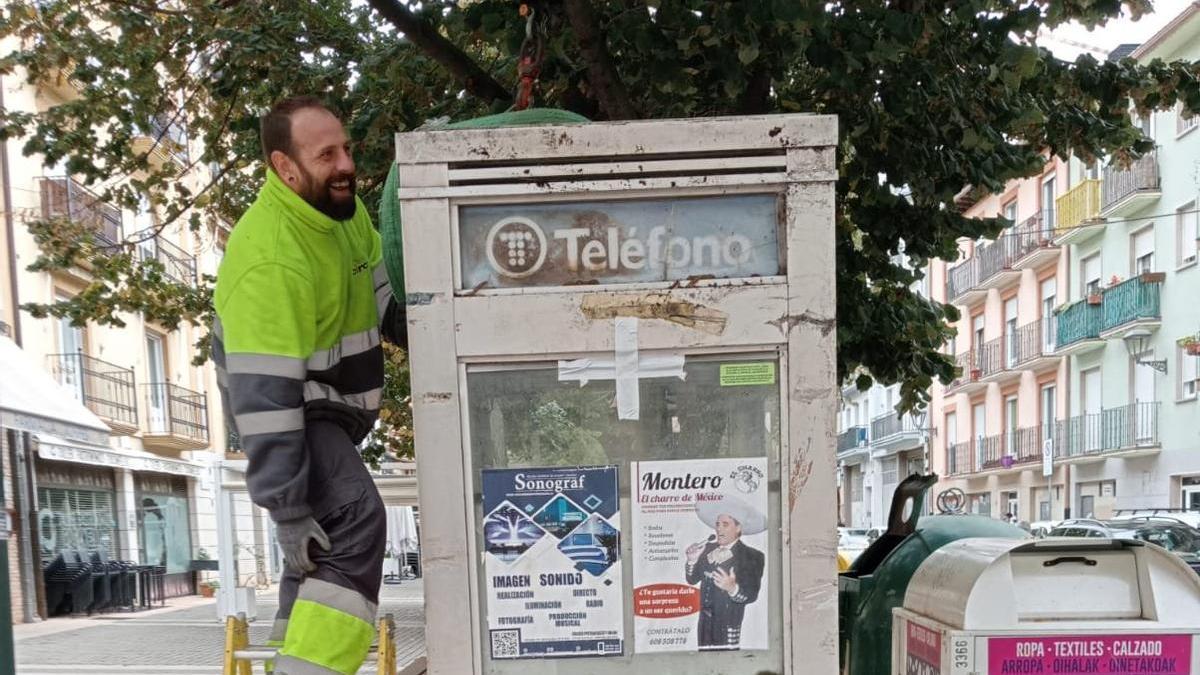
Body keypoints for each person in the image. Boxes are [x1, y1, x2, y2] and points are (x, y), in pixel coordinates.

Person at [214, 96, 406, 675]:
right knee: (357, 519)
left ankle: (288, 661)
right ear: (285, 167)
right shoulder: (271, 257)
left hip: (326, 411)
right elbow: (264, 403)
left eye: (345, 148)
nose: (345, 164)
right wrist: (287, 509)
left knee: (318, 554)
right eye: (327, 154)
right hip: (294, 412)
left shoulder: (345, 217)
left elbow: (386, 302)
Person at [684, 495, 767, 650]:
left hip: (728, 625)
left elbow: (751, 595)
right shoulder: (708, 549)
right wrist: (692, 560)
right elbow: (692, 579)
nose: (719, 529)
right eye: (717, 524)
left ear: (738, 527)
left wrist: (732, 588)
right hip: (705, 626)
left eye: (725, 524)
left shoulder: (752, 556)